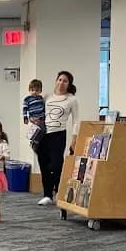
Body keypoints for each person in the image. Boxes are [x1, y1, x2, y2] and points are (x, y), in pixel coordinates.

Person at [37, 70, 80, 207]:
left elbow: (76, 121)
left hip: (58, 134)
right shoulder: (47, 97)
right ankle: (47, 195)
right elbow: (38, 111)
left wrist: (74, 139)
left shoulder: (71, 99)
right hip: (43, 134)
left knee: (56, 165)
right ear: (56, 81)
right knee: (43, 164)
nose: (61, 83)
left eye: (65, 81)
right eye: (60, 80)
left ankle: (58, 190)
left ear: (69, 84)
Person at [22, 78, 46, 154]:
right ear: (29, 90)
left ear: (40, 91)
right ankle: (34, 143)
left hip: (42, 118)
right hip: (34, 118)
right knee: (38, 129)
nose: (34, 92)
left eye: (37, 90)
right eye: (32, 90)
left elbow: (44, 107)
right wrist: (25, 118)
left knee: (43, 130)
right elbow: (25, 109)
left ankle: (36, 141)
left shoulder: (41, 98)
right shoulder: (27, 99)